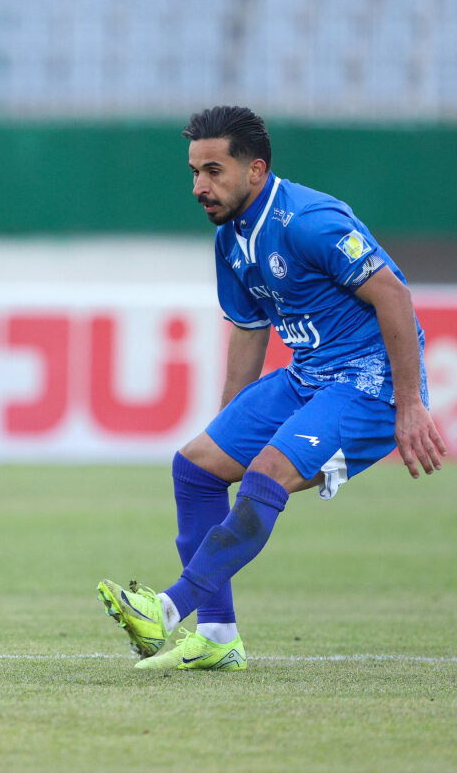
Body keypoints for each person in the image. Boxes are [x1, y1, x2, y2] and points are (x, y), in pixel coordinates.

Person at [97, 105, 446, 671]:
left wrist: (409, 404)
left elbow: (395, 296)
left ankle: (167, 609)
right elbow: (249, 329)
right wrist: (226, 425)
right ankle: (217, 637)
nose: (199, 186)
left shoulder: (309, 221)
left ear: (255, 169)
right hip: (309, 375)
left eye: (214, 171)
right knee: (197, 467)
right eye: (194, 171)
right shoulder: (231, 237)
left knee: (266, 473)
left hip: (368, 383)